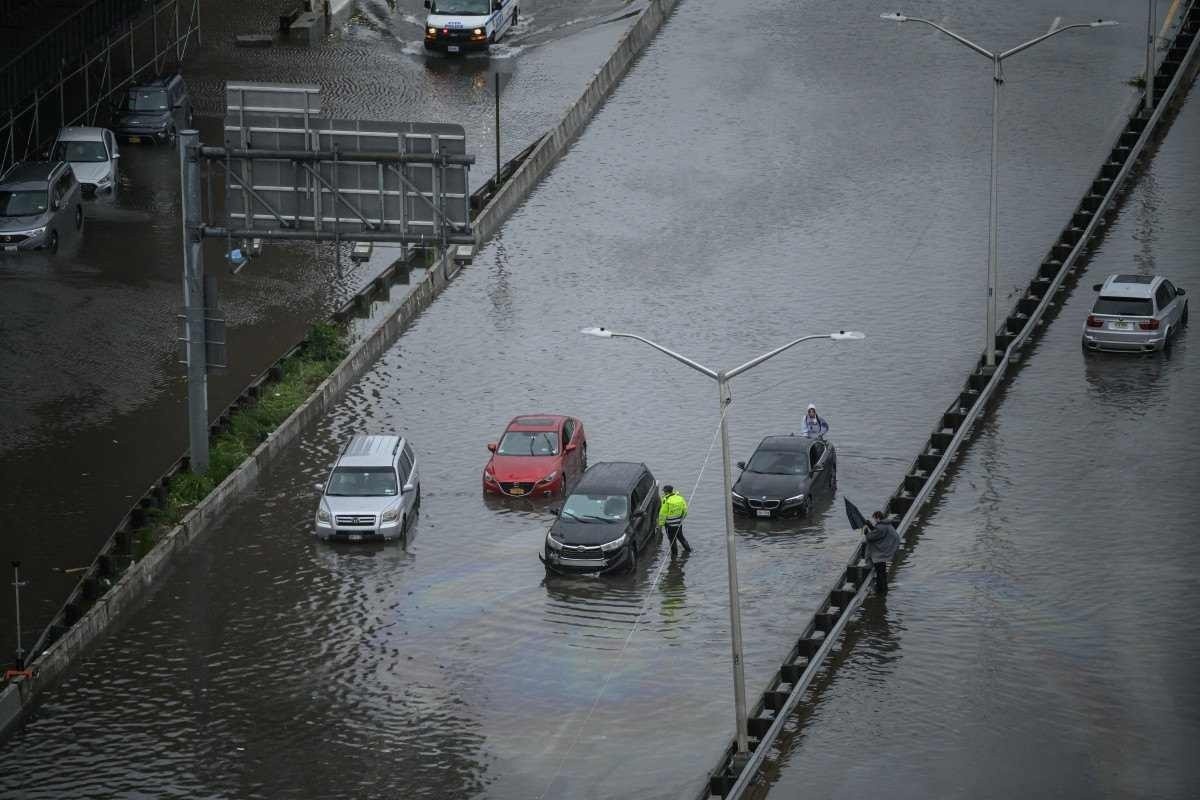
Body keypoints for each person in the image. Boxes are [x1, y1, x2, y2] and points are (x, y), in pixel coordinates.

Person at [863, 511, 900, 594]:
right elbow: (878, 532)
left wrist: (866, 533)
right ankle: (884, 590)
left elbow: (871, 537)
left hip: (879, 554)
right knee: (883, 572)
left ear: (878, 518)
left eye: (875, 518)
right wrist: (870, 526)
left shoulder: (881, 527)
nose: (874, 520)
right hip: (884, 553)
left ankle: (880, 590)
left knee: (880, 573)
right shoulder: (887, 524)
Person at [658, 485, 692, 554]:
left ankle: (674, 556)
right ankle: (689, 551)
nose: (663, 493)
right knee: (681, 538)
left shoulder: (666, 500)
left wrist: (660, 524)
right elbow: (685, 510)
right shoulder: (680, 498)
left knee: (672, 540)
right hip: (678, 524)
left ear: (666, 492)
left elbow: (662, 514)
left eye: (664, 491)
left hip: (669, 525)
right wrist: (681, 520)